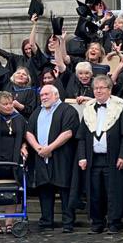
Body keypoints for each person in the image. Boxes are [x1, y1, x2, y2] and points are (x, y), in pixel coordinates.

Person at [74, 75, 123, 234]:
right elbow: (81, 136)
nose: (98, 91)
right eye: (96, 88)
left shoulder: (120, 107)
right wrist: (82, 156)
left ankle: (114, 222)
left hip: (113, 157)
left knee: (113, 191)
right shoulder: (88, 108)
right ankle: (97, 223)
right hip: (93, 158)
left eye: (102, 88)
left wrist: (122, 155)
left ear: (109, 89)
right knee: (94, 192)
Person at [26, 84, 79, 233]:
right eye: (42, 95)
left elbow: (68, 132)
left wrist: (50, 148)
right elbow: (29, 132)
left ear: (56, 95)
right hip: (41, 157)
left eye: (46, 94)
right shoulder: (37, 111)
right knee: (44, 189)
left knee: (65, 190)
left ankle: (68, 222)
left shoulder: (68, 110)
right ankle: (46, 222)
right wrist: (38, 148)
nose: (43, 97)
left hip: (62, 157)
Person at [0, 91, 28, 234]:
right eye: (5, 104)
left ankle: (9, 222)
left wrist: (24, 146)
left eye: (10, 103)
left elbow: (25, 137)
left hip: (14, 158)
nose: (9, 106)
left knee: (12, 190)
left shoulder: (19, 118)